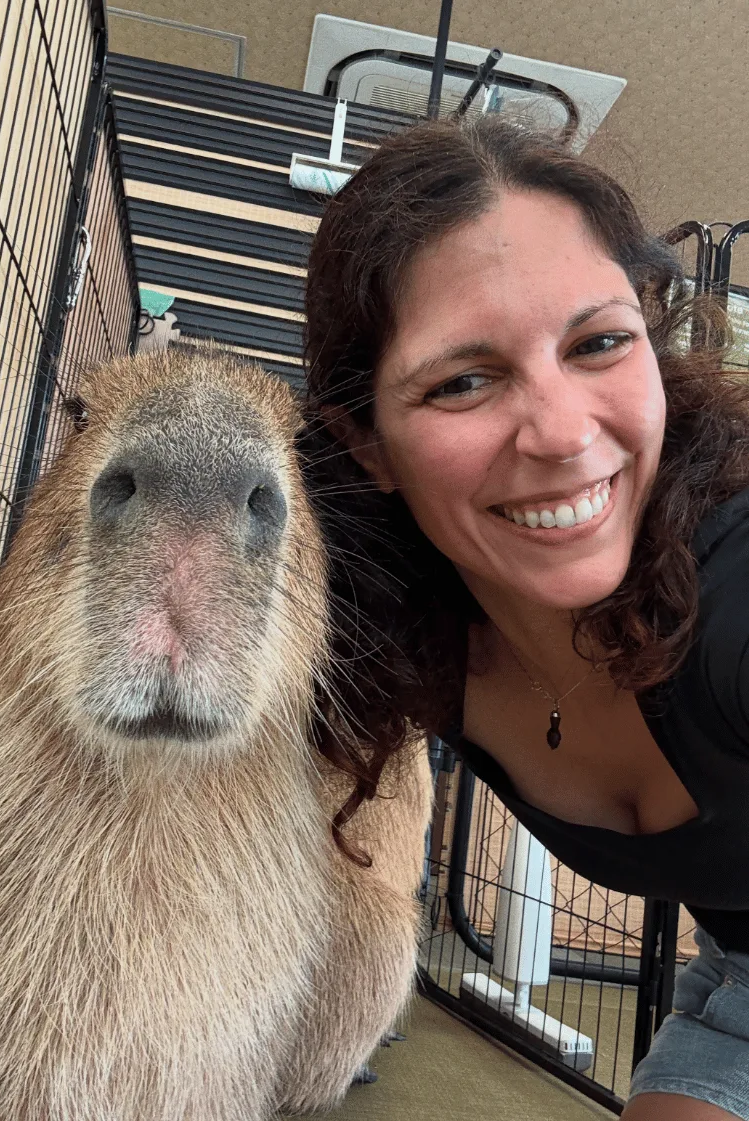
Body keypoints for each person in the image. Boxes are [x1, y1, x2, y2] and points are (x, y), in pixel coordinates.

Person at [301, 117, 749, 1120]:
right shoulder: (381, 611)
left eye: (596, 342)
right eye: (464, 378)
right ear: (363, 440)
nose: (559, 432)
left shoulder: (731, 595)